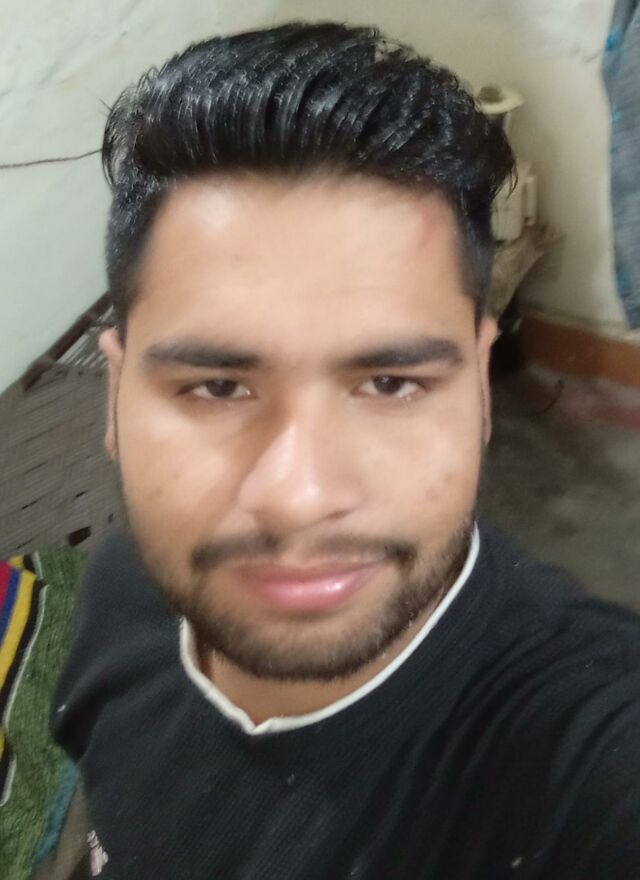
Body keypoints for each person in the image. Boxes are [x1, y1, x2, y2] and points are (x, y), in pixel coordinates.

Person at [44, 22, 640, 880]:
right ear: (114, 394)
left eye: (391, 383)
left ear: (480, 386)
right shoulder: (119, 591)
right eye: (217, 387)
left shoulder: (587, 755)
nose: (299, 497)